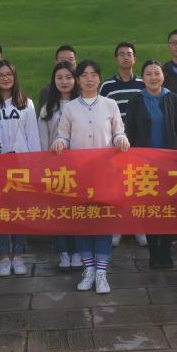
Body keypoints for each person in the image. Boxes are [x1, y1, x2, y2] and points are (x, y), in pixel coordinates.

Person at [52, 59, 131, 294]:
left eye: (93, 74)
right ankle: (88, 269)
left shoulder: (110, 104)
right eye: (84, 75)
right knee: (83, 222)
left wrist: (121, 139)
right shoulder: (70, 108)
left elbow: (118, 131)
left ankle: (102, 273)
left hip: (105, 174)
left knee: (104, 222)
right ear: (78, 80)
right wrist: (59, 142)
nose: (89, 79)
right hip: (79, 175)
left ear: (99, 78)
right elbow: (63, 136)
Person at [124, 59, 177, 271]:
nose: (153, 78)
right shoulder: (136, 100)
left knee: (168, 208)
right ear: (143, 78)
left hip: (169, 163)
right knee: (149, 209)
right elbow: (130, 130)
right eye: (148, 74)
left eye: (157, 73)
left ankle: (166, 251)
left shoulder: (172, 98)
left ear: (163, 76)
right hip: (144, 164)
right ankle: (154, 252)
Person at [0, 60, 40, 277]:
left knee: (20, 211)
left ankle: (18, 254)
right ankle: (3, 256)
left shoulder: (26, 103)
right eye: (1, 75)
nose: (5, 78)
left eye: (9, 74)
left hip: (20, 164)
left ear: (15, 77)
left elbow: (32, 135)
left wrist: (35, 166)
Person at [101, 42, 147, 248]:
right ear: (116, 59)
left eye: (129, 54)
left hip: (138, 142)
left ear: (134, 58)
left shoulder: (143, 83)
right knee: (117, 187)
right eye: (121, 54)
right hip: (115, 144)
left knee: (138, 186)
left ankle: (139, 227)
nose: (125, 58)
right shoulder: (107, 86)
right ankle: (117, 226)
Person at [39, 61, 83, 270]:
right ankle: (63, 252)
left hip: (80, 166)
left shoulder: (83, 104)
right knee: (58, 211)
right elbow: (42, 138)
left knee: (77, 211)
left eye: (68, 77)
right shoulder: (48, 108)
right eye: (59, 78)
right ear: (53, 81)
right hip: (55, 167)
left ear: (75, 80)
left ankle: (78, 251)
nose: (64, 82)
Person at [37, 45, 78, 112]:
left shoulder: (84, 89)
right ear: (56, 63)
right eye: (62, 60)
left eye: (70, 60)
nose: (66, 63)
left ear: (76, 63)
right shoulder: (47, 91)